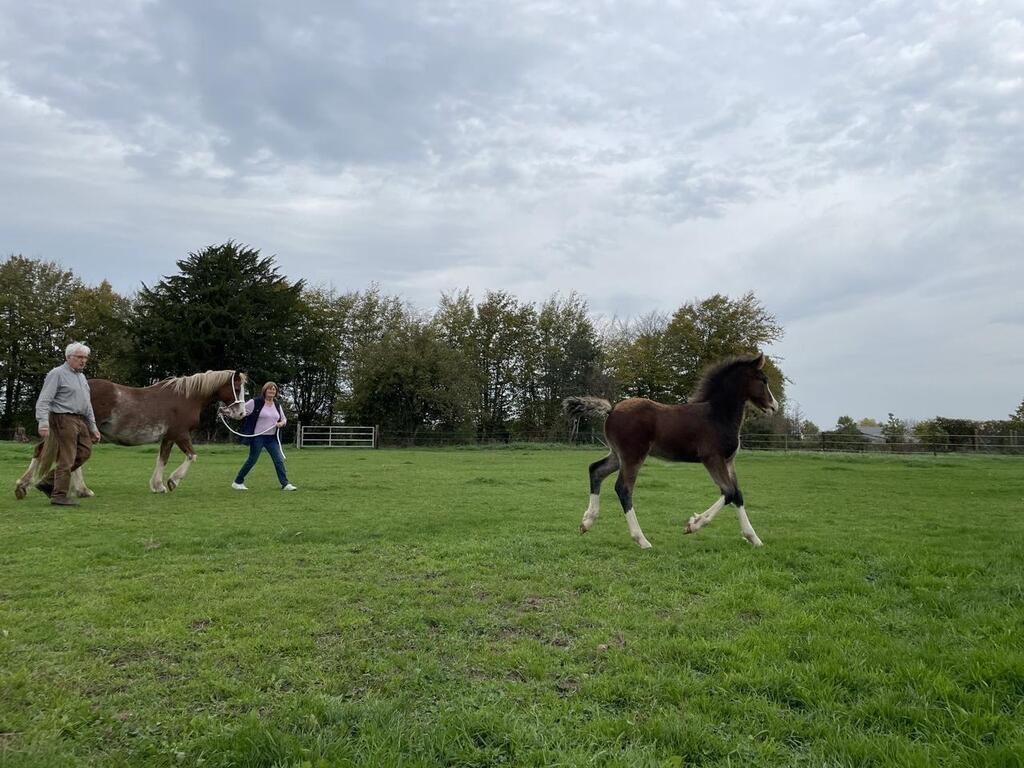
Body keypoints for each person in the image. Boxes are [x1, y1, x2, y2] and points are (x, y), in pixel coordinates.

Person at [35, 342, 102, 506]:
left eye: (85, 358)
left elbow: (87, 405)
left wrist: (93, 428)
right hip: (62, 418)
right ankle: (59, 495)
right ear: (68, 357)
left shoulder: (81, 377)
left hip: (80, 419)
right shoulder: (57, 374)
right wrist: (43, 422)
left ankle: (47, 481)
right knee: (68, 457)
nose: (83, 361)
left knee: (84, 453)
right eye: (80, 357)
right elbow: (44, 400)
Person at [232, 381, 297, 491]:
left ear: (276, 392)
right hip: (258, 437)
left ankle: (285, 484)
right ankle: (238, 481)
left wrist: (281, 423)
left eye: (274, 389)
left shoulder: (277, 404)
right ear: (265, 390)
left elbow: (284, 419)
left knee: (279, 460)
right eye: (269, 389)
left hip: (272, 438)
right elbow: (240, 411)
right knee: (252, 460)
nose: (272, 391)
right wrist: (228, 412)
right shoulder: (255, 402)